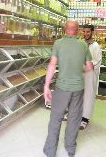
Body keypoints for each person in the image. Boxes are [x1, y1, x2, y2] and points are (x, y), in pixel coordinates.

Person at [43, 20, 93, 157]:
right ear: (77, 30)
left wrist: (46, 86)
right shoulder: (83, 45)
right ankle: (70, 148)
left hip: (62, 88)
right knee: (74, 118)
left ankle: (50, 150)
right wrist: (80, 70)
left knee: (56, 118)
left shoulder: (58, 43)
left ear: (65, 29)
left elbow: (52, 65)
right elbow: (90, 67)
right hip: (78, 88)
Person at [79, 24, 102, 130]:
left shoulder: (95, 46)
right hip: (80, 73)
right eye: (84, 32)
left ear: (92, 32)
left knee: (88, 95)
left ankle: (85, 119)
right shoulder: (80, 43)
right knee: (78, 94)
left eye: (88, 32)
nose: (85, 34)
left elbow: (97, 61)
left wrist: (87, 64)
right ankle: (77, 115)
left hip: (90, 74)